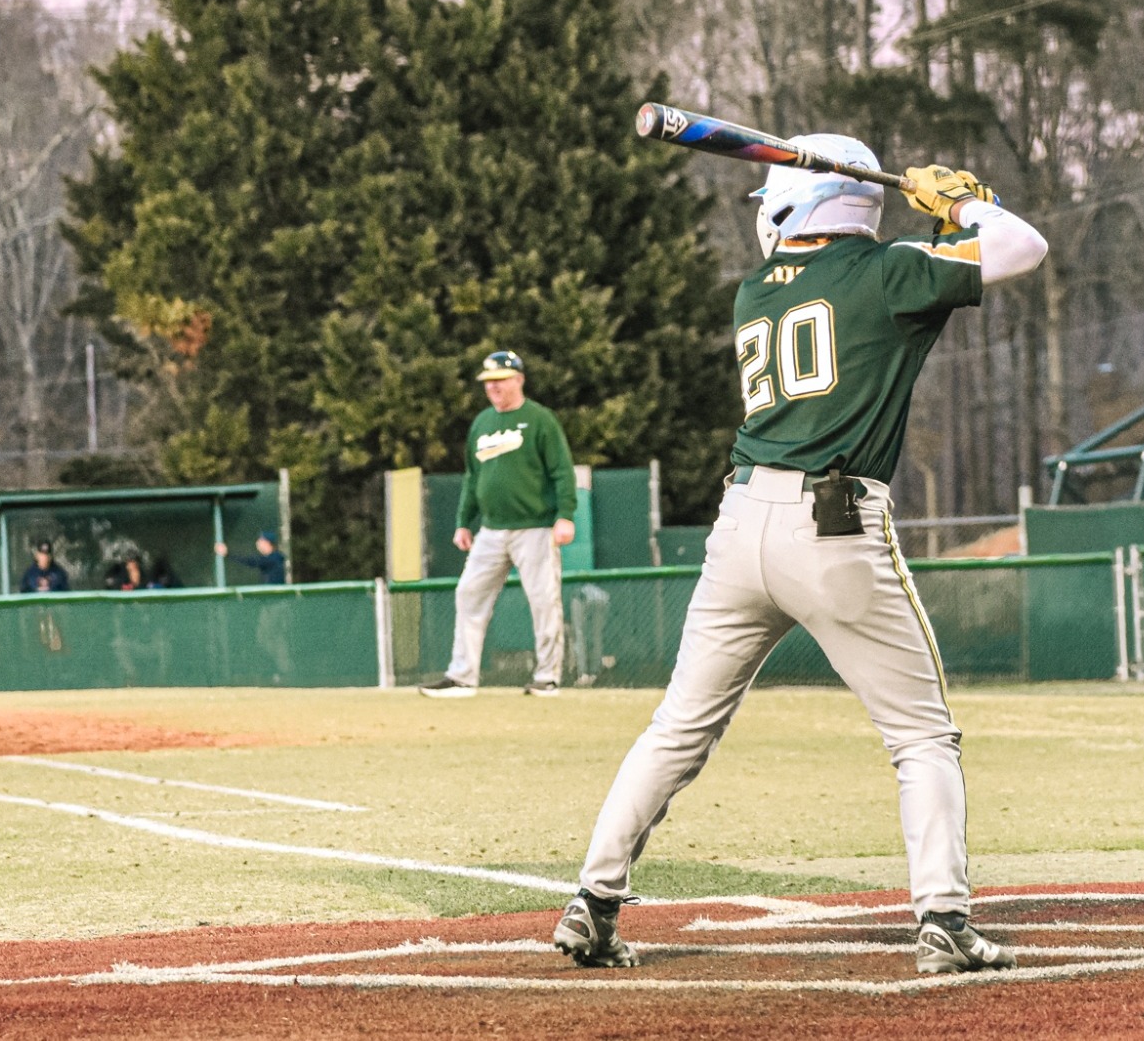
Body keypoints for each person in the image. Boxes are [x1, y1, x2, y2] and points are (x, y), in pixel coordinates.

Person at [551, 142, 1048, 975]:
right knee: (923, 736)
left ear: (800, 205)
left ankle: (592, 902)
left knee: (678, 727)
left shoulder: (757, 290)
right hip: (838, 525)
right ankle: (944, 918)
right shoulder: (887, 270)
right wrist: (959, 204)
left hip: (739, 524)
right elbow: (1024, 246)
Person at [417, 350, 576, 698]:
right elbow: (473, 478)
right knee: (469, 593)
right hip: (491, 529)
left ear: (518, 379)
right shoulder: (482, 423)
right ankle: (462, 677)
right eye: (488, 382)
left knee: (543, 600)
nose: (493, 388)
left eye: (500, 380)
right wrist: (463, 522)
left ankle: (547, 677)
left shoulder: (539, 419)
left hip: (534, 527)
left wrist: (565, 514)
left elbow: (562, 471)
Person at [214, 531, 286, 585]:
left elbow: (250, 561)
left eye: (260, 540)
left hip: (275, 598)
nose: (257, 543)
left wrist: (228, 554)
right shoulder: (272, 557)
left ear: (267, 543)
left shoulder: (274, 558)